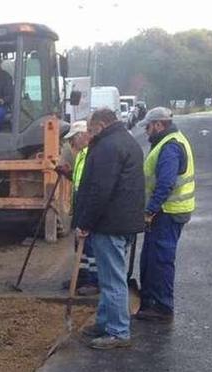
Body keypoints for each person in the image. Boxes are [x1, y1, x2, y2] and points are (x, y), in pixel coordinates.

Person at [73, 109, 145, 350]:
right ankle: (105, 323)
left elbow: (100, 190)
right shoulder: (126, 141)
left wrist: (85, 222)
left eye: (92, 131)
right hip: (121, 221)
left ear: (101, 125)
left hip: (111, 223)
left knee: (113, 279)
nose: (90, 136)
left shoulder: (108, 148)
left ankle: (118, 331)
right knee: (108, 277)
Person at [136, 107, 195, 323]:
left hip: (168, 212)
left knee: (161, 259)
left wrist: (150, 210)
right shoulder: (171, 141)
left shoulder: (169, 147)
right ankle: (152, 300)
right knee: (152, 257)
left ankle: (162, 306)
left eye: (148, 127)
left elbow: (166, 183)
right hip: (167, 212)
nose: (146, 131)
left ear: (159, 124)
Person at [56, 120, 98, 295]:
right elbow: (80, 179)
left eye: (74, 138)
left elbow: (93, 183)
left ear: (83, 136)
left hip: (88, 205)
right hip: (80, 204)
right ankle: (80, 276)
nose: (72, 142)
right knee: (79, 245)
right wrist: (66, 173)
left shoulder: (92, 153)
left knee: (90, 247)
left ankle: (93, 281)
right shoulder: (81, 154)